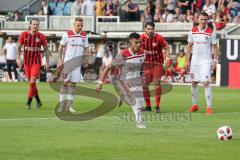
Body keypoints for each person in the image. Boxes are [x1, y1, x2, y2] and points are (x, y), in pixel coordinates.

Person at [96, 32, 146, 128]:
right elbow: (107, 68)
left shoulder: (142, 53)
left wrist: (142, 75)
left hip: (136, 80)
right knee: (135, 101)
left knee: (141, 104)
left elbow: (142, 65)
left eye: (140, 42)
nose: (139, 44)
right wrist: (100, 82)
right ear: (131, 42)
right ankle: (139, 123)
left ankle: (122, 95)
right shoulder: (122, 55)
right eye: (137, 42)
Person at [186, 12, 218, 115]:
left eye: (205, 19)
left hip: (206, 61)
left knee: (206, 82)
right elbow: (189, 46)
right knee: (194, 82)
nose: (203, 21)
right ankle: (195, 105)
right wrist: (187, 60)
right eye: (201, 19)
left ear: (207, 20)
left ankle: (209, 107)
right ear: (198, 19)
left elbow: (215, 46)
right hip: (195, 61)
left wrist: (215, 60)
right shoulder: (192, 31)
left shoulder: (211, 32)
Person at [57, 17, 89, 113]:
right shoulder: (67, 34)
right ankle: (61, 106)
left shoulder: (84, 35)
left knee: (73, 85)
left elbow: (86, 48)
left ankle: (69, 106)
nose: (80, 27)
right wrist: (60, 59)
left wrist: (86, 59)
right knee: (64, 84)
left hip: (77, 64)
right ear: (74, 25)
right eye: (78, 25)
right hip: (67, 63)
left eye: (81, 25)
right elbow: (60, 48)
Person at [17, 18, 50, 109]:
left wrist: (47, 62)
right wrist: (18, 58)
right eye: (34, 24)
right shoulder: (24, 34)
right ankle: (38, 101)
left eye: (37, 24)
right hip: (26, 62)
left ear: (38, 26)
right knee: (32, 84)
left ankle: (28, 103)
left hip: (36, 62)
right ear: (30, 25)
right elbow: (18, 47)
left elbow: (46, 49)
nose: (35, 26)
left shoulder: (41, 36)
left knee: (32, 82)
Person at [140, 22, 169, 113]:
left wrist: (166, 59)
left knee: (157, 82)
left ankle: (157, 106)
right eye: (148, 29)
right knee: (144, 84)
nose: (150, 30)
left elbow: (167, 47)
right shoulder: (141, 38)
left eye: (152, 29)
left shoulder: (159, 38)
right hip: (146, 64)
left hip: (157, 63)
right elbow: (136, 49)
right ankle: (148, 106)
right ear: (145, 29)